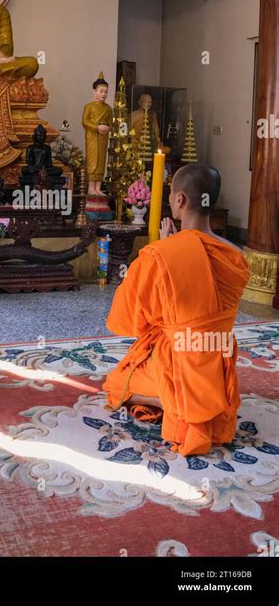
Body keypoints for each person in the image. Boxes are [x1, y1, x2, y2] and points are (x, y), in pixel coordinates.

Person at [103, 162, 250, 456]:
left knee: (114, 383)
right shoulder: (235, 255)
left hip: (179, 360)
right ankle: (205, 397)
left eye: (170, 194)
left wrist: (164, 253)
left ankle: (173, 400)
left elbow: (130, 319)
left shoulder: (161, 255)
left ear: (179, 200)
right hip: (217, 357)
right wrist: (171, 253)